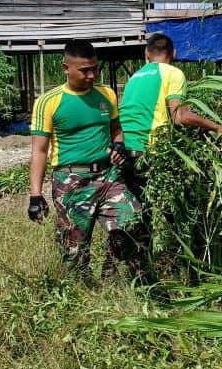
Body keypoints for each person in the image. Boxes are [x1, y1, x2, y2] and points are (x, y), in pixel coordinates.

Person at [27, 39, 142, 282]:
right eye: (84, 70)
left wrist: (119, 144)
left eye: (95, 68)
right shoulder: (49, 102)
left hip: (109, 176)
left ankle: (112, 273)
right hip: (71, 181)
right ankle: (83, 289)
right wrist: (35, 196)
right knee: (74, 251)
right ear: (65, 68)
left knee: (133, 223)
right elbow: (39, 151)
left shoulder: (106, 94)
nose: (91, 75)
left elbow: (115, 129)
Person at [115, 33, 222, 282]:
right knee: (180, 213)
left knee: (140, 215)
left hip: (127, 154)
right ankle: (192, 271)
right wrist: (215, 126)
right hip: (152, 152)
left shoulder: (134, 77)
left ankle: (135, 274)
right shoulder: (172, 73)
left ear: (146, 54)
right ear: (173, 54)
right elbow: (180, 116)